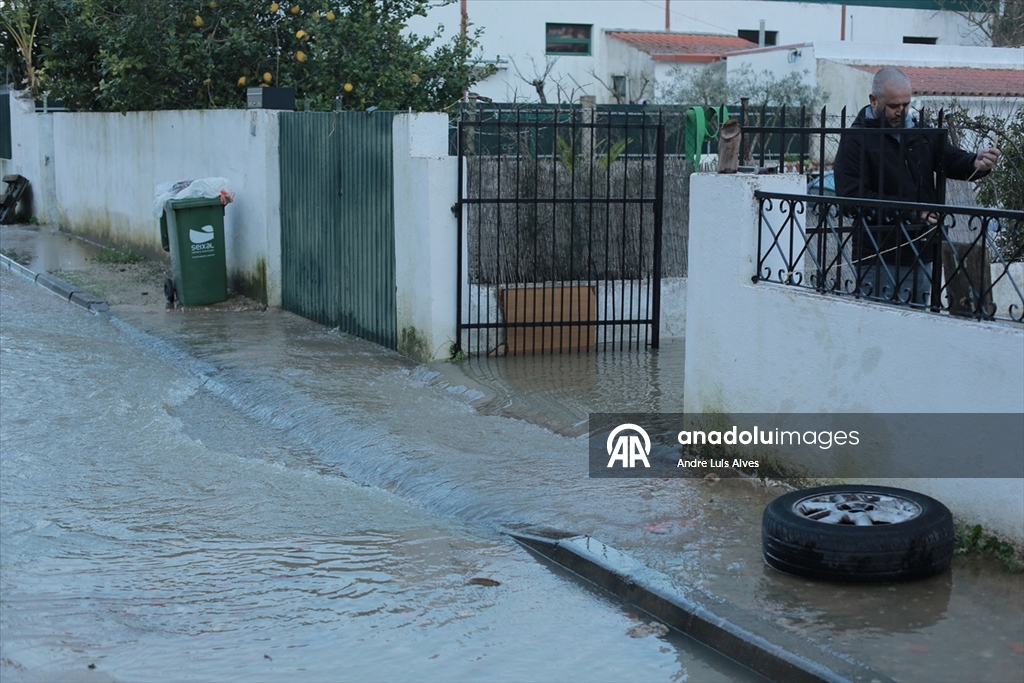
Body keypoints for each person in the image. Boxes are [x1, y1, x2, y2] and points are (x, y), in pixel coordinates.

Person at [832, 67, 1000, 305]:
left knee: (919, 326)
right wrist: (912, 212)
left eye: (906, 104)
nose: (902, 112)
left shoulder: (919, 130)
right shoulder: (856, 139)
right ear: (873, 100)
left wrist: (977, 161)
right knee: (881, 331)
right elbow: (852, 199)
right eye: (893, 106)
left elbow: (950, 159)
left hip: (924, 251)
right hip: (879, 255)